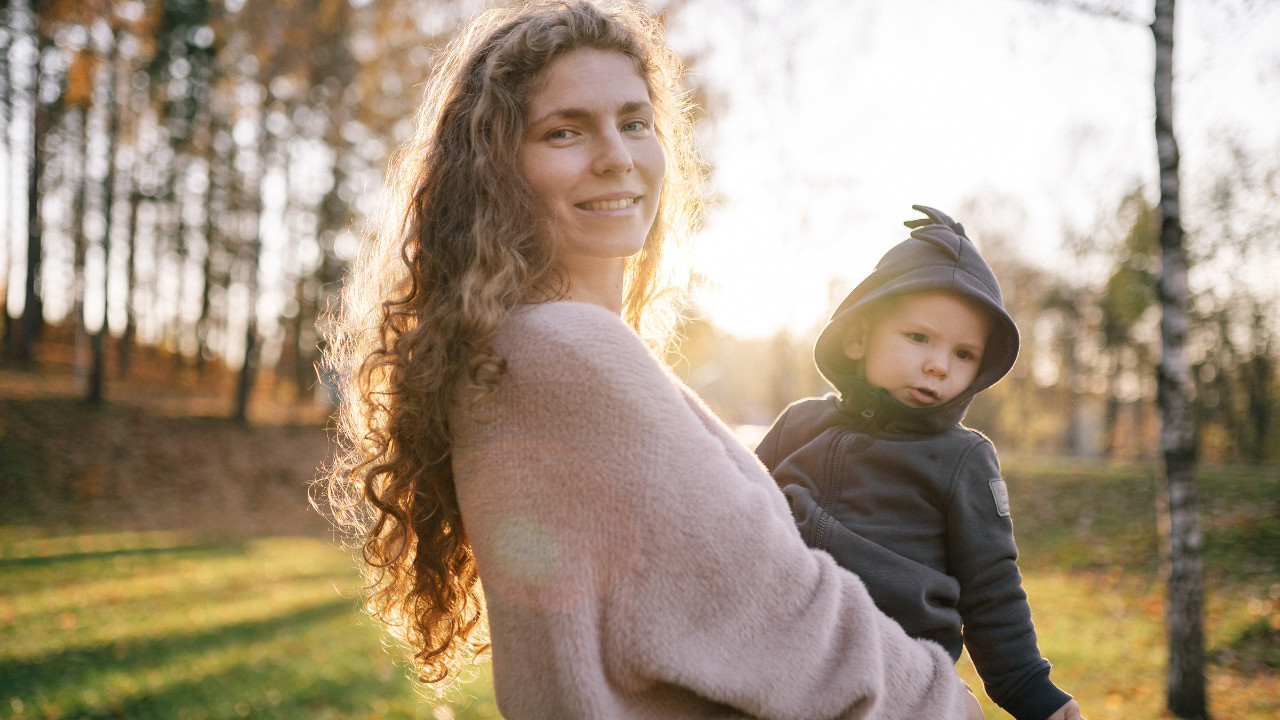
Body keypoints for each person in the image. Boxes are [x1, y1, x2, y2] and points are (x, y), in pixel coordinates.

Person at [321, 1, 983, 717]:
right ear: (495, 172)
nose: (617, 155)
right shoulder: (567, 352)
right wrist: (946, 703)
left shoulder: (521, 352)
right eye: (564, 131)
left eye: (635, 122)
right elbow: (785, 617)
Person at [755, 206, 1085, 720]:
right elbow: (731, 509)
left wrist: (1033, 693)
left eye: (963, 354)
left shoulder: (963, 459)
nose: (938, 364)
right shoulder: (800, 425)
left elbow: (991, 590)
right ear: (859, 336)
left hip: (894, 673)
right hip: (775, 649)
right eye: (918, 338)